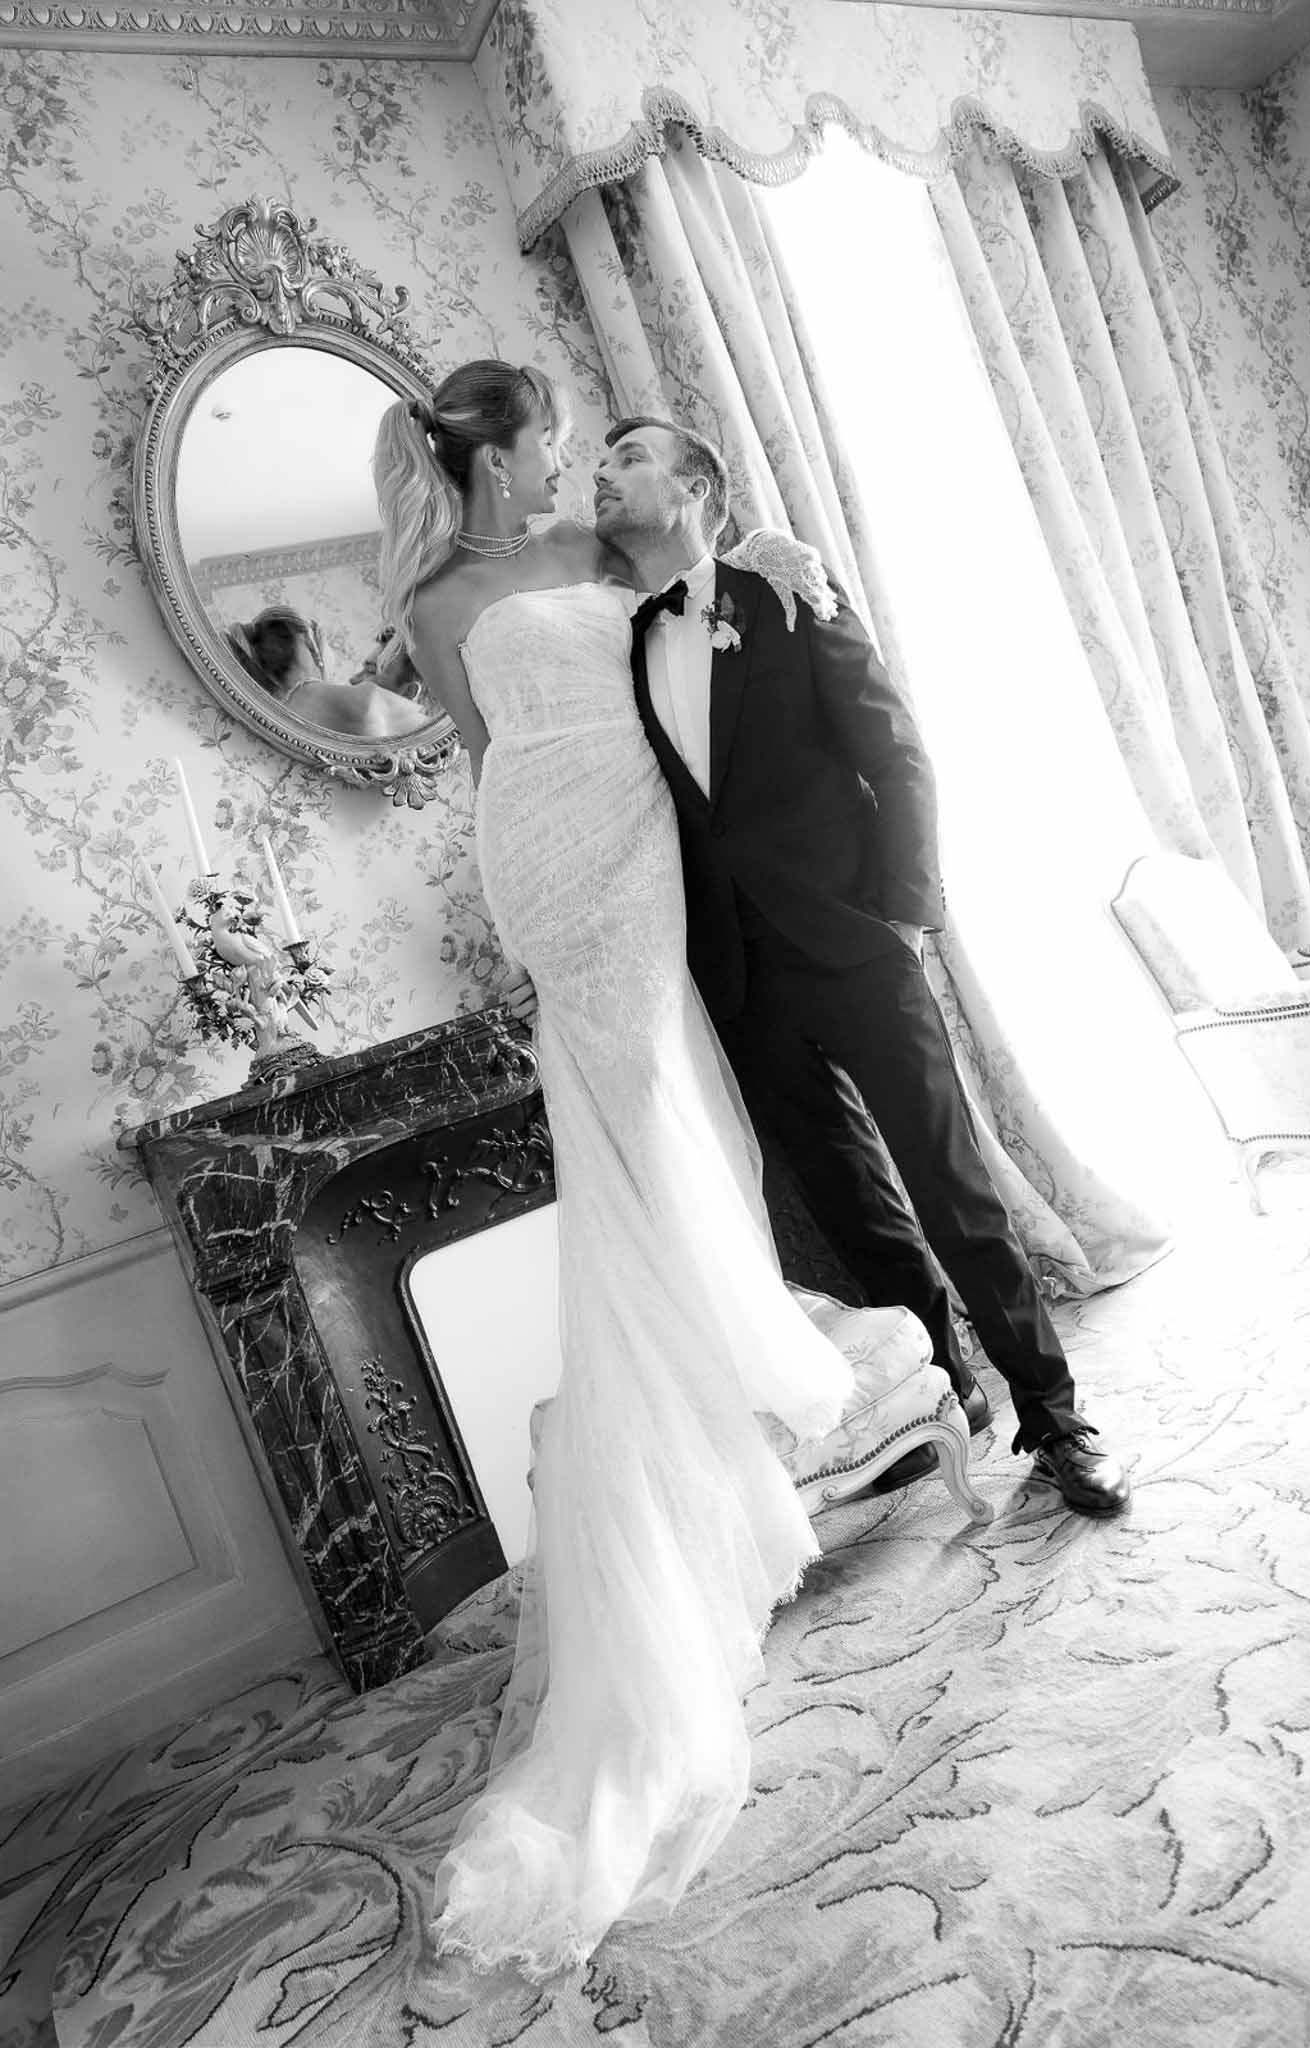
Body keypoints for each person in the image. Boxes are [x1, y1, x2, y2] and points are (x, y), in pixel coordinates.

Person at [372, 361, 882, 1978]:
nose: (571, 463)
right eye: (551, 442)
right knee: (641, 1122)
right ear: (502, 451)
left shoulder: (593, 545)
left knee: (674, 1113)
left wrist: (779, 558)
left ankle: (734, 1388)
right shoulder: (436, 600)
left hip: (638, 827)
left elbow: (692, 596)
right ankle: (712, 1406)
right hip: (551, 856)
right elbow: (485, 757)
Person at [592, 416, 1132, 1521]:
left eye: (626, 459)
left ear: (696, 487)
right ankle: (945, 1398)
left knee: (951, 1184)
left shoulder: (785, 590)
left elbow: (896, 748)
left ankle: (1056, 1415)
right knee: (855, 1210)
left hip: (856, 941)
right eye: (596, 463)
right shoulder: (625, 642)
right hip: (738, 977)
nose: (600, 476)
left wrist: (905, 914)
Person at [226, 605, 431, 740]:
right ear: (310, 645)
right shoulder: (364, 705)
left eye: (370, 671)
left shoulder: (262, 725)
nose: (352, 680)